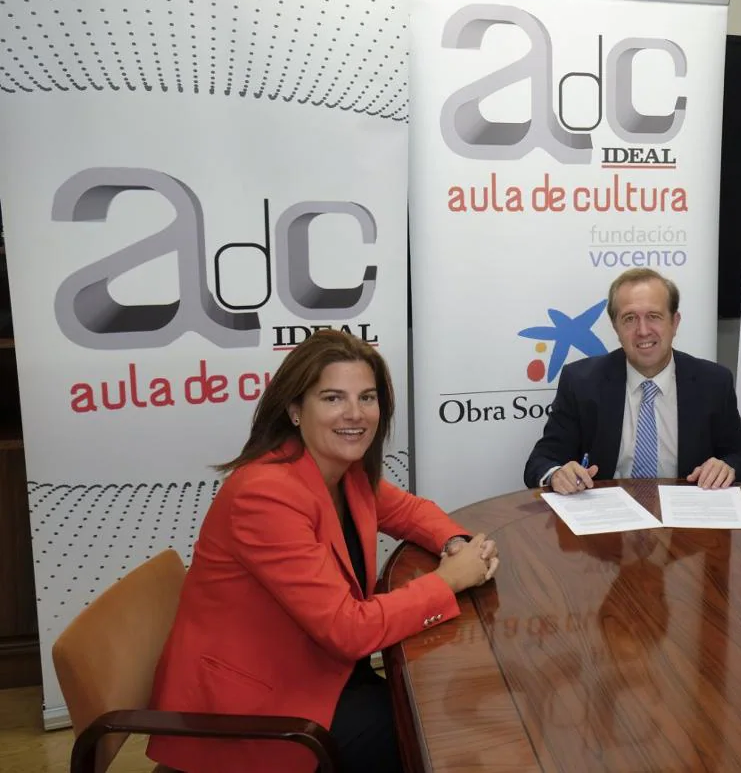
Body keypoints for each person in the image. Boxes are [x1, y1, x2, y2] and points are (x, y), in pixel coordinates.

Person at [147, 330, 499, 773]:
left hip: (321, 671)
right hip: (259, 708)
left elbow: (411, 512)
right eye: (333, 398)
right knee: (435, 734)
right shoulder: (265, 494)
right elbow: (348, 630)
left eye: (367, 398)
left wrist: (455, 544)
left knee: (438, 708)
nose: (355, 414)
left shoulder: (342, 470)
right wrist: (449, 579)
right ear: (295, 410)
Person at [524, 268, 741, 494]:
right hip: (606, 523)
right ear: (615, 327)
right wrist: (557, 474)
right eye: (629, 319)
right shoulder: (581, 382)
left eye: (654, 316)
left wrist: (727, 467)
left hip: (687, 522)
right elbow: (541, 461)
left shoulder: (713, 382)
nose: (643, 330)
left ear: (674, 322)